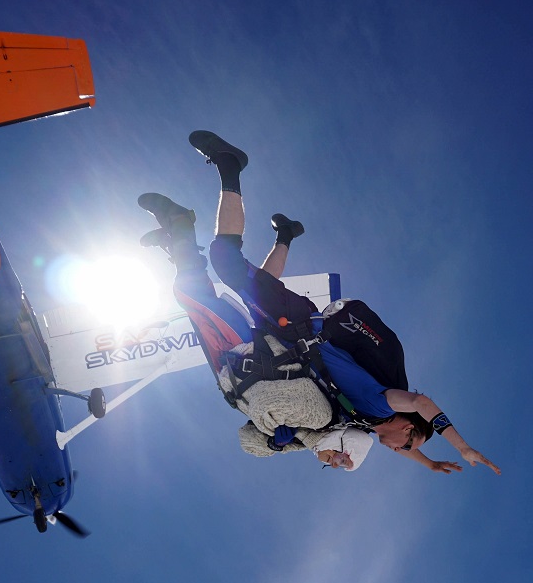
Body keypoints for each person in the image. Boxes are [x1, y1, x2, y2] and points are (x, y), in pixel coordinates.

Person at [187, 130, 500, 476]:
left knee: (260, 285)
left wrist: (428, 463)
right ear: (408, 427)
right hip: (297, 326)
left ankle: (286, 235)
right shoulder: (382, 404)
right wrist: (463, 446)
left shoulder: (365, 422)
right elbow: (421, 403)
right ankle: (230, 166)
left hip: (292, 337)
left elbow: (403, 448)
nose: (399, 451)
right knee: (227, 262)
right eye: (407, 444)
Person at [137, 192, 371, 472]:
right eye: (342, 458)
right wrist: (272, 431)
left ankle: (177, 242)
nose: (333, 462)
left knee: (205, 296)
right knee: (195, 293)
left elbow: (246, 441)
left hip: (230, 369)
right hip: (251, 352)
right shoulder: (321, 417)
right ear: (344, 442)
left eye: (335, 465)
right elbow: (265, 404)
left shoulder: (301, 439)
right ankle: (181, 226)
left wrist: (273, 443)